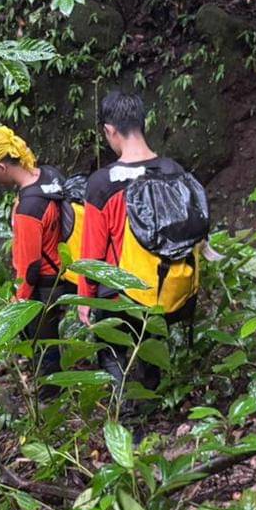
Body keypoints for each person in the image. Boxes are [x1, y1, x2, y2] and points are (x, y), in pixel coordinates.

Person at [77, 90, 200, 389]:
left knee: (113, 358)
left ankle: (123, 417)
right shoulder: (174, 172)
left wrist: (84, 297)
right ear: (143, 123)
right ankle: (154, 413)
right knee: (151, 356)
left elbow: (92, 252)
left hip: (117, 295)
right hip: (159, 290)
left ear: (110, 130)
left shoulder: (102, 184)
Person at [0, 125, 76, 385]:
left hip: (43, 283)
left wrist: (19, 301)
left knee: (44, 347)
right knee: (50, 338)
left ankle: (49, 395)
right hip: (62, 269)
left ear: (1, 166)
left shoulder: (28, 209)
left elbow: (30, 265)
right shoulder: (49, 176)